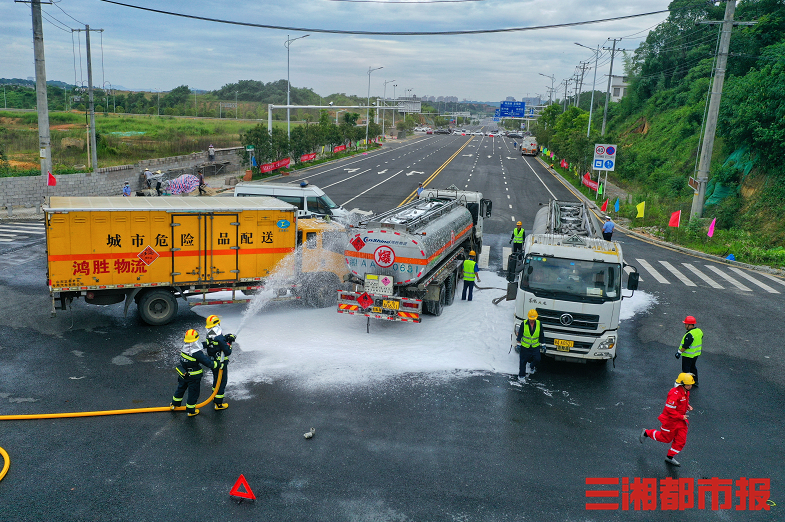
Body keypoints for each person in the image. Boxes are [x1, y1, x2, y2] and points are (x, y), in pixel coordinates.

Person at [640, 373, 694, 466]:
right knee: (665, 439)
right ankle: (646, 433)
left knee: (681, 440)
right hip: (670, 421)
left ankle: (670, 457)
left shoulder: (686, 392)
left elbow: (681, 403)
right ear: (682, 384)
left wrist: (687, 406)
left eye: (691, 384)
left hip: (680, 422)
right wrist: (681, 416)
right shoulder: (674, 393)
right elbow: (669, 409)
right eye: (688, 385)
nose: (690, 386)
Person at [170, 329, 218, 417]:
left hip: (183, 374)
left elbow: (197, 346)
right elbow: (207, 362)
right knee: (193, 393)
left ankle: (174, 404)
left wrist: (207, 343)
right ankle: (191, 411)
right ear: (195, 339)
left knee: (180, 389)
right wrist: (217, 364)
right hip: (193, 377)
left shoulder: (185, 346)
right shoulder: (196, 353)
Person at [203, 315, 236, 410]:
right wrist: (229, 343)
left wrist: (227, 337)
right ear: (216, 323)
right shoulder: (218, 336)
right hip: (221, 363)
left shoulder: (210, 333)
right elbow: (228, 351)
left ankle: (214, 396)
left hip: (213, 361)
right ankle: (218, 404)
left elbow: (217, 342)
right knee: (222, 382)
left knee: (216, 380)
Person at [516, 309, 545, 381]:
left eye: (533, 319)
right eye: (531, 319)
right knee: (523, 361)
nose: (532, 320)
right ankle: (521, 376)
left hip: (535, 346)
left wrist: (543, 344)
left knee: (537, 359)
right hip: (525, 346)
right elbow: (520, 334)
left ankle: (532, 366)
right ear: (528, 317)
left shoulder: (539, 324)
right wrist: (518, 344)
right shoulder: (524, 323)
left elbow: (541, 335)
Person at [675, 316, 702, 387]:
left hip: (688, 355)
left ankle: (687, 383)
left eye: (686, 324)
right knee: (693, 367)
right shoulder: (699, 331)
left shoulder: (689, 334)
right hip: (696, 354)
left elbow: (685, 346)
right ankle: (695, 381)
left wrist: (679, 353)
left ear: (690, 325)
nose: (685, 325)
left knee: (686, 369)